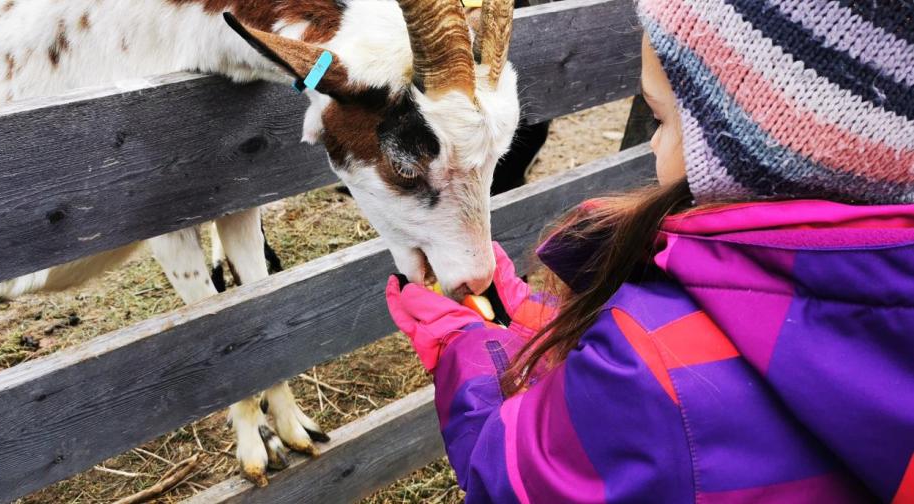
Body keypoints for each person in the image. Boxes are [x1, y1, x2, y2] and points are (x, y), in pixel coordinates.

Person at [385, 0, 914, 501]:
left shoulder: (655, 372)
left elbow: (510, 476)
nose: (653, 144)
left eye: (659, 120)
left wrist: (466, 347)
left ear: (747, 145)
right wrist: (540, 320)